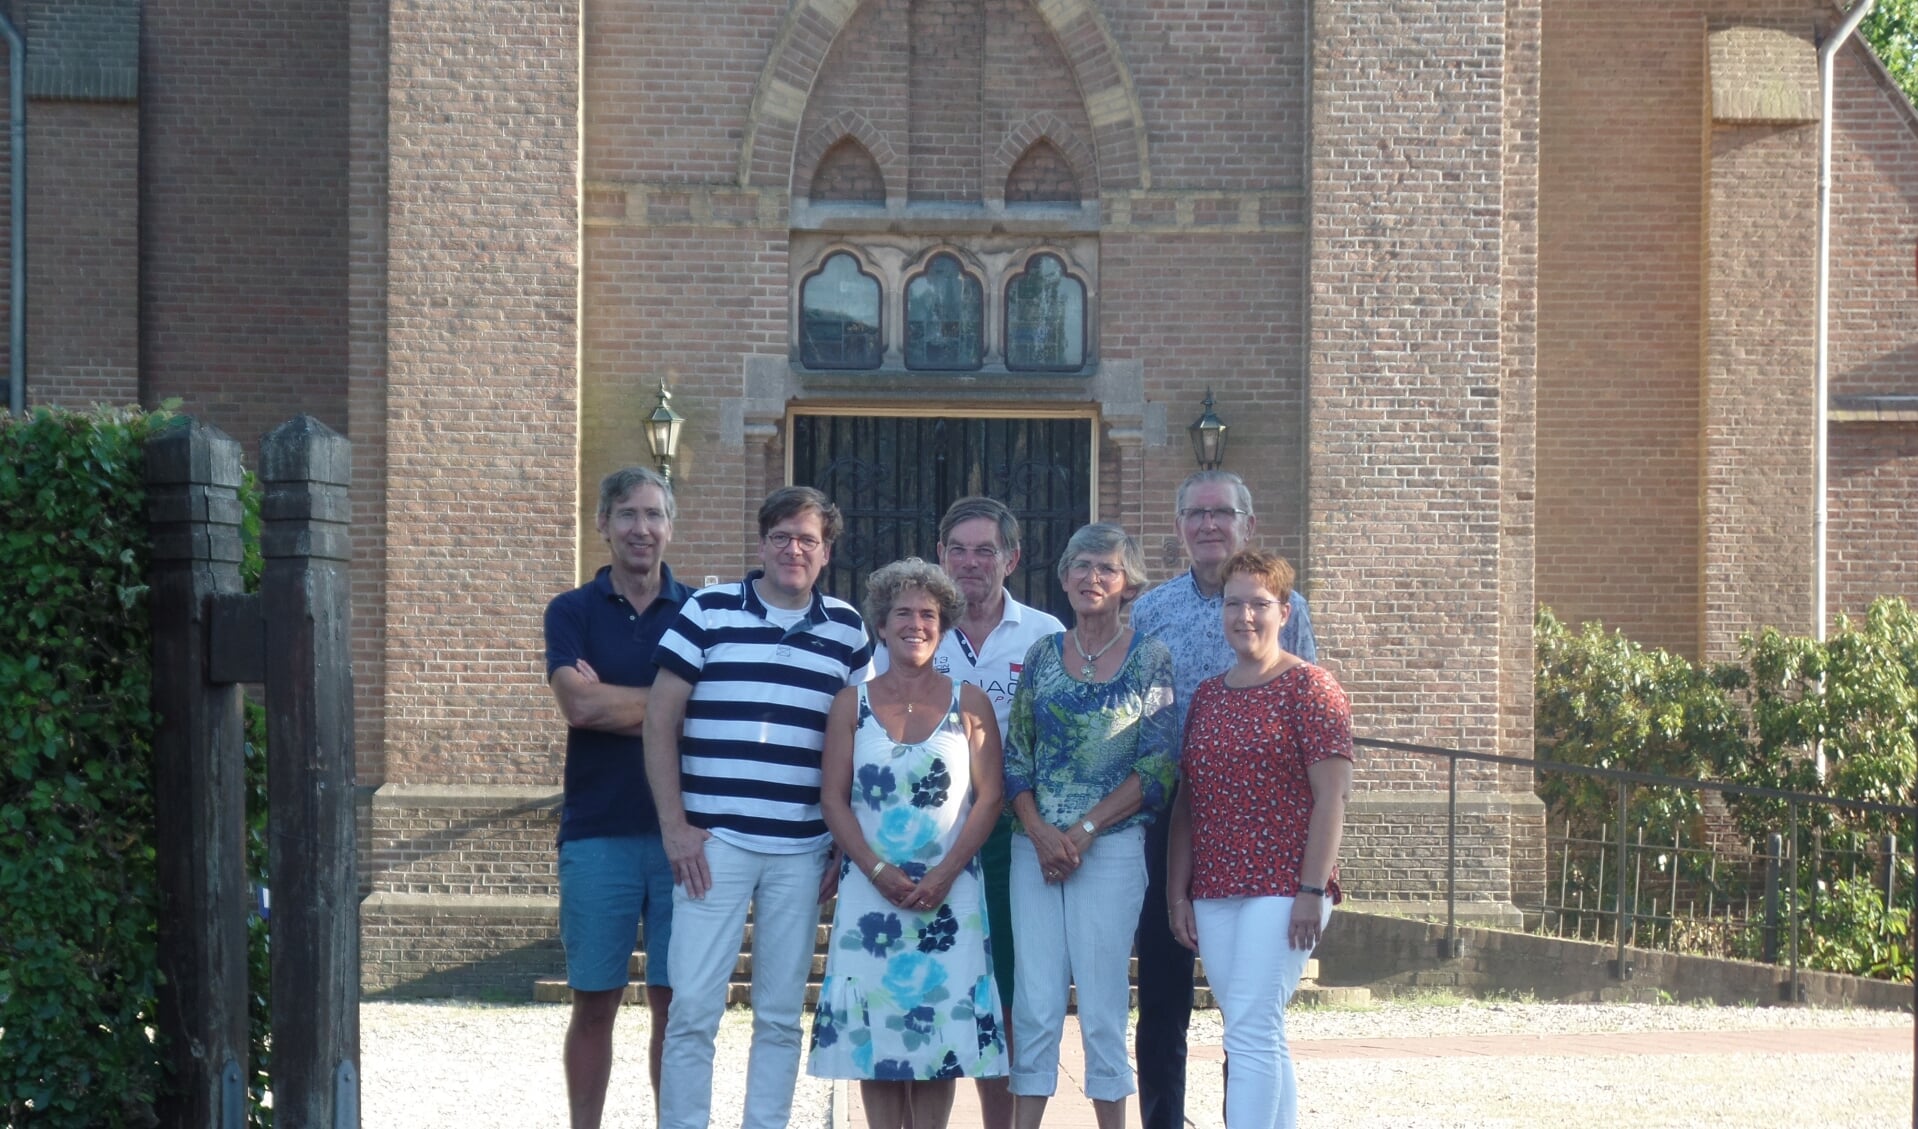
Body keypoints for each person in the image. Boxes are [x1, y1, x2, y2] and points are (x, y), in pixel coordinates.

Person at [644, 486, 875, 1129]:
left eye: (808, 540)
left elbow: (858, 739)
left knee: (778, 1013)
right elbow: (660, 720)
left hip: (802, 851)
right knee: (692, 1006)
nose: (793, 550)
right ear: (761, 542)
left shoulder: (849, 630)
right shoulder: (707, 611)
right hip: (711, 846)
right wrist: (675, 827)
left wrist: (840, 843)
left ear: (827, 552)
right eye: (782, 536)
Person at [1128, 469, 1318, 1129]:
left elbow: (1312, 725)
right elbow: (1144, 719)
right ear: (1179, 527)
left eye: (1222, 513)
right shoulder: (1150, 611)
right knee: (1162, 992)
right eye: (1195, 514)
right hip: (1174, 812)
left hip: (1264, 821)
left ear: (1249, 524)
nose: (1209, 525)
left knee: (1249, 1009)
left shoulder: (1285, 607)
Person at [809, 559, 1008, 1127]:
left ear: (943, 625)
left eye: (928, 614)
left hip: (951, 895)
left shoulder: (970, 704)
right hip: (872, 895)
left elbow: (990, 797)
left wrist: (944, 873)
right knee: (877, 1041)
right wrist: (874, 870)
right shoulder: (852, 704)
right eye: (903, 612)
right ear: (881, 623)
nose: (915, 624)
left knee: (937, 1043)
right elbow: (833, 801)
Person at [1166, 549, 1352, 1129]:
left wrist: (1309, 889)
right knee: (1256, 1026)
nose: (1245, 616)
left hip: (1284, 886)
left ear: (1286, 611)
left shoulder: (1311, 689)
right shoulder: (1208, 696)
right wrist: (1178, 893)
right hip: (1216, 888)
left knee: (1247, 1027)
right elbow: (1187, 803)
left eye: (1259, 604)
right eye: (1233, 603)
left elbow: (1333, 798)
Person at [1002, 523, 1177, 1129]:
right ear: (1064, 576)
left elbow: (1158, 762)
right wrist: (1042, 831)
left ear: (1127, 583)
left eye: (1105, 568)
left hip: (1112, 851)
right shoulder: (1042, 658)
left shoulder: (1153, 660)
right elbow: (1015, 757)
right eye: (1080, 565)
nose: (1091, 578)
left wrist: (1084, 831)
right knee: (1035, 1005)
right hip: (1035, 853)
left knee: (1103, 1008)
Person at [543, 465, 692, 1128]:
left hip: (682, 837)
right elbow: (578, 706)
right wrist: (671, 702)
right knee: (594, 1002)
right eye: (627, 513)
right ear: (602, 524)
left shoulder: (698, 613)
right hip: (597, 832)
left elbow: (711, 712)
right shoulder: (570, 611)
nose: (641, 527)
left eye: (654, 514)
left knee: (673, 1002)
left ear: (670, 525)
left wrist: (618, 701)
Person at [912, 496, 1064, 1129]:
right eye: (958, 550)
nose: (970, 563)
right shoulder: (914, 629)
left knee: (1003, 998)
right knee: (936, 996)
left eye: (984, 550)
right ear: (940, 555)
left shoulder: (1046, 636)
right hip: (929, 839)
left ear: (1012, 558)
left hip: (1011, 839)